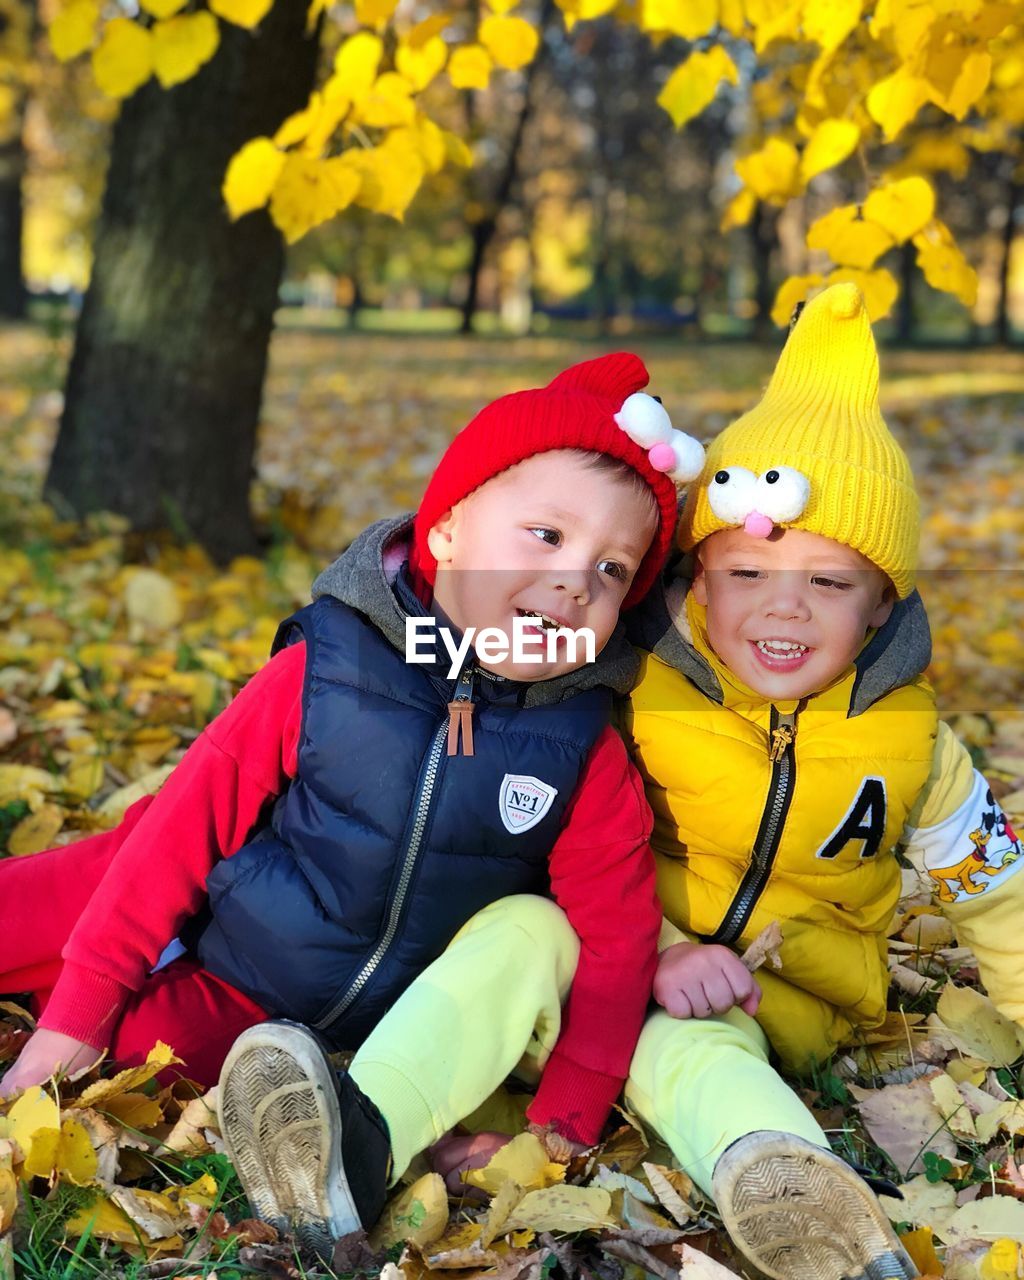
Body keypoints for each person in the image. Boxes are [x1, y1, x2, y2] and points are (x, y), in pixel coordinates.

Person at [0, 352, 706, 1257]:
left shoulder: (579, 748)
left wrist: (559, 1129)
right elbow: (185, 830)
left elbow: (613, 943)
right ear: (445, 533)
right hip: (218, 903)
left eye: (614, 568)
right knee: (61, 918)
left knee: (149, 1050)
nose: (577, 580)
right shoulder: (331, 667)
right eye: (544, 535)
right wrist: (73, 1021)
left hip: (278, 1012)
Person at [620, 283, 1024, 1280]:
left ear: (882, 604)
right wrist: (663, 947)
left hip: (793, 1002)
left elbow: (996, 890)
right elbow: (562, 844)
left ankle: (786, 1178)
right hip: (626, 952)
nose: (783, 610)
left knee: (691, 1046)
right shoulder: (638, 699)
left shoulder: (910, 745)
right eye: (748, 576)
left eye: (829, 581)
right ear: (694, 582)